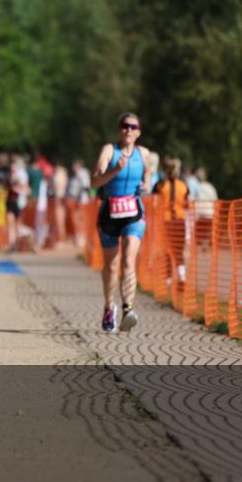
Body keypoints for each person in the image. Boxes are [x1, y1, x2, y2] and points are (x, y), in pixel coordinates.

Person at [90, 112, 152, 333]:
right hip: (109, 213)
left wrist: (147, 183)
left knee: (128, 259)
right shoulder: (109, 151)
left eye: (133, 127)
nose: (129, 130)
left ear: (139, 132)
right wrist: (116, 169)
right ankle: (109, 308)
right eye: (125, 126)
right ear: (120, 129)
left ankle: (128, 309)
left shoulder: (143, 153)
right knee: (111, 265)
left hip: (133, 213)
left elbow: (150, 174)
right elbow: (94, 180)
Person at [153, 156, 190, 292]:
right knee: (178, 250)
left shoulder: (160, 185)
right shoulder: (184, 186)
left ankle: (168, 280)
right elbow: (187, 204)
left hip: (165, 220)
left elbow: (155, 203)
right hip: (180, 221)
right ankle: (182, 276)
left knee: (167, 250)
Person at [6, 156, 30, 251]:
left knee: (17, 225)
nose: (12, 172)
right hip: (10, 202)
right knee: (10, 222)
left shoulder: (21, 177)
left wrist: (19, 189)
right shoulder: (9, 178)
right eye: (11, 171)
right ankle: (11, 243)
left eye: (14, 170)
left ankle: (18, 243)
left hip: (18, 203)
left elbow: (27, 190)